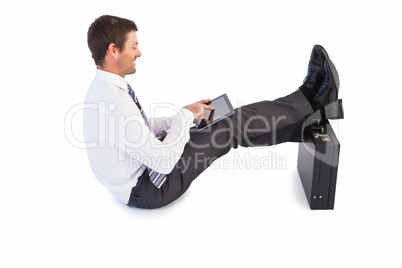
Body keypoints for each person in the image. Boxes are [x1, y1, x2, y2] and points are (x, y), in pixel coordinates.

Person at [84, 15, 341, 209]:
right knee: (231, 126)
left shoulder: (104, 87)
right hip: (152, 187)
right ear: (113, 50)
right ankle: (311, 102)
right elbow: (162, 162)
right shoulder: (114, 103)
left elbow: (139, 128)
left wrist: (183, 115)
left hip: (140, 176)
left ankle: (307, 108)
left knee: (216, 119)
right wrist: (184, 119)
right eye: (133, 46)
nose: (139, 53)